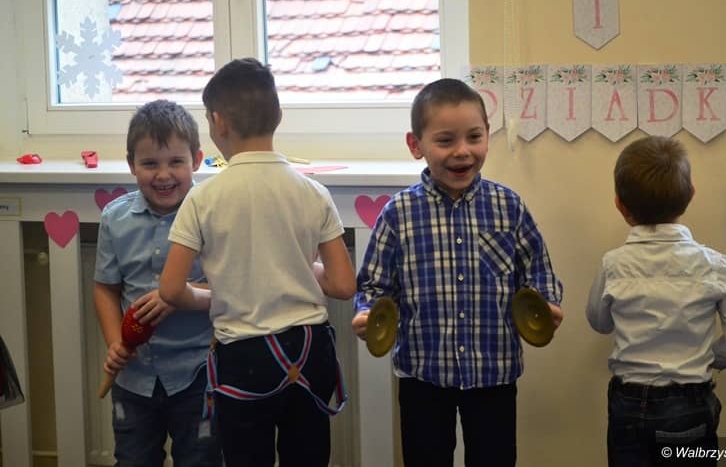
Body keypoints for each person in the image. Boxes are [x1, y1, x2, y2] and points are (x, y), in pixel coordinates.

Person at [351, 78, 564, 467]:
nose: (463, 151)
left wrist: (546, 303)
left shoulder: (509, 206)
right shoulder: (398, 214)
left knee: (494, 458)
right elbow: (374, 284)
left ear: (487, 135)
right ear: (416, 145)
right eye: (445, 140)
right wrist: (367, 312)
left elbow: (538, 271)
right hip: (423, 372)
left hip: (493, 371)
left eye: (474, 137)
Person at [158, 57, 356, 467]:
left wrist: (210, 296)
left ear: (217, 123)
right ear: (278, 116)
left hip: (244, 356)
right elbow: (342, 284)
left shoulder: (203, 198)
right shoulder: (313, 192)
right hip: (310, 352)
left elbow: (171, 290)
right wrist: (297, 267)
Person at [586, 135, 726, 467]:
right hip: (690, 400)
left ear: (620, 205)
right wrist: (709, 358)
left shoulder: (613, 265)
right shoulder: (717, 266)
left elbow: (599, 321)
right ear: (691, 194)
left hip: (628, 402)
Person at [93, 99, 222, 466]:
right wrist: (115, 342)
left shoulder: (214, 215)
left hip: (198, 373)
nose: (163, 175)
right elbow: (105, 288)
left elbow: (232, 287)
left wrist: (179, 295)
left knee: (200, 460)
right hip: (134, 377)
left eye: (175, 162)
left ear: (196, 160)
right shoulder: (115, 218)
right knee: (133, 459)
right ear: (131, 164)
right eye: (150, 163)